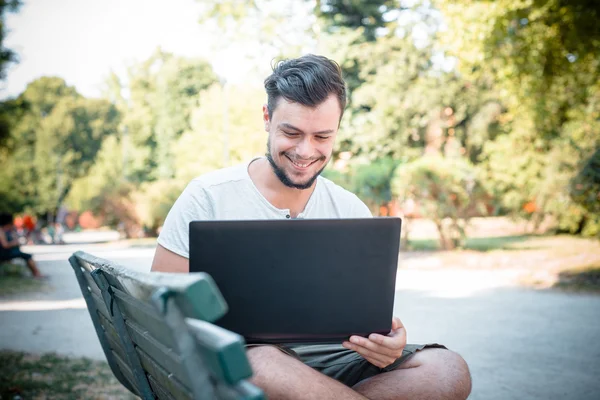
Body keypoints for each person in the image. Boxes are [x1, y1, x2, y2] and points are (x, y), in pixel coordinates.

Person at [151, 54, 472, 399]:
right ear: (266, 118)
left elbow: (365, 313)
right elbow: (158, 309)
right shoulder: (207, 197)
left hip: (333, 358)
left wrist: (387, 344)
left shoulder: (349, 209)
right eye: (291, 132)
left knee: (448, 370)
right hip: (248, 358)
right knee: (261, 365)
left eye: (322, 136)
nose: (306, 151)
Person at [0, 213, 44, 278]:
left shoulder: (7, 230)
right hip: (3, 253)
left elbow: (14, 238)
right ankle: (37, 273)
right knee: (27, 256)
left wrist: (13, 234)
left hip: (6, 252)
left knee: (24, 254)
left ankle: (36, 273)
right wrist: (14, 243)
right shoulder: (1, 231)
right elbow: (5, 245)